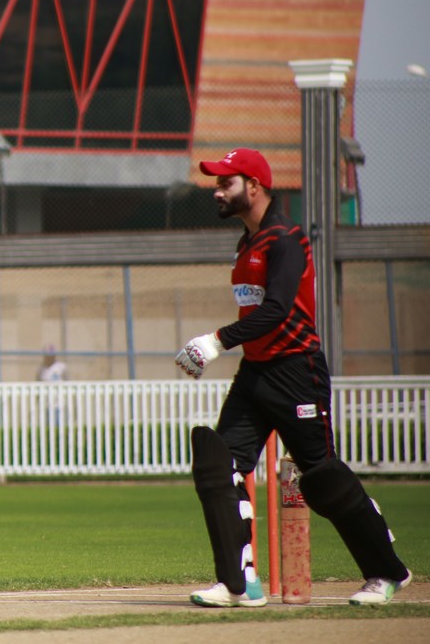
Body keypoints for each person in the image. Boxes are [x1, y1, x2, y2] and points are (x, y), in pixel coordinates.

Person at [175, 148, 411, 608]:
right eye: (216, 183)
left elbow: (278, 309)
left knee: (321, 479)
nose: (217, 191)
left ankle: (387, 571)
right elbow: (259, 314)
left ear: (254, 186)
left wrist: (216, 341)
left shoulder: (285, 238)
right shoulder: (247, 243)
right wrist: (226, 345)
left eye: (226, 183)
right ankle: (239, 584)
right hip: (256, 372)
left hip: (297, 371)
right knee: (218, 466)